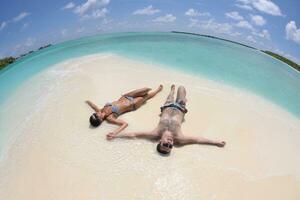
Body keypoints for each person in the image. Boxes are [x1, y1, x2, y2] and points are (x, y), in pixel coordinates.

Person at [107, 85, 226, 155]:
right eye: (170, 146)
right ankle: (180, 94)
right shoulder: (179, 138)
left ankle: (171, 90)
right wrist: (215, 142)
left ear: (159, 142)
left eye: (165, 145)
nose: (169, 143)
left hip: (167, 106)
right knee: (182, 88)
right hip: (181, 106)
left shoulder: (155, 134)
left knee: (172, 93)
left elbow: (134, 134)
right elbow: (198, 140)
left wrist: (116, 136)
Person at [86, 85, 163, 135]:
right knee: (147, 96)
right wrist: (115, 133)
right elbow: (125, 124)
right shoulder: (110, 118)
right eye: (95, 115)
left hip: (126, 96)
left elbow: (92, 105)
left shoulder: (100, 110)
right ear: (100, 119)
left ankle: (155, 90)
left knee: (146, 89)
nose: (95, 113)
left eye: (94, 114)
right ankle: (157, 90)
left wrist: (86, 100)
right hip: (133, 104)